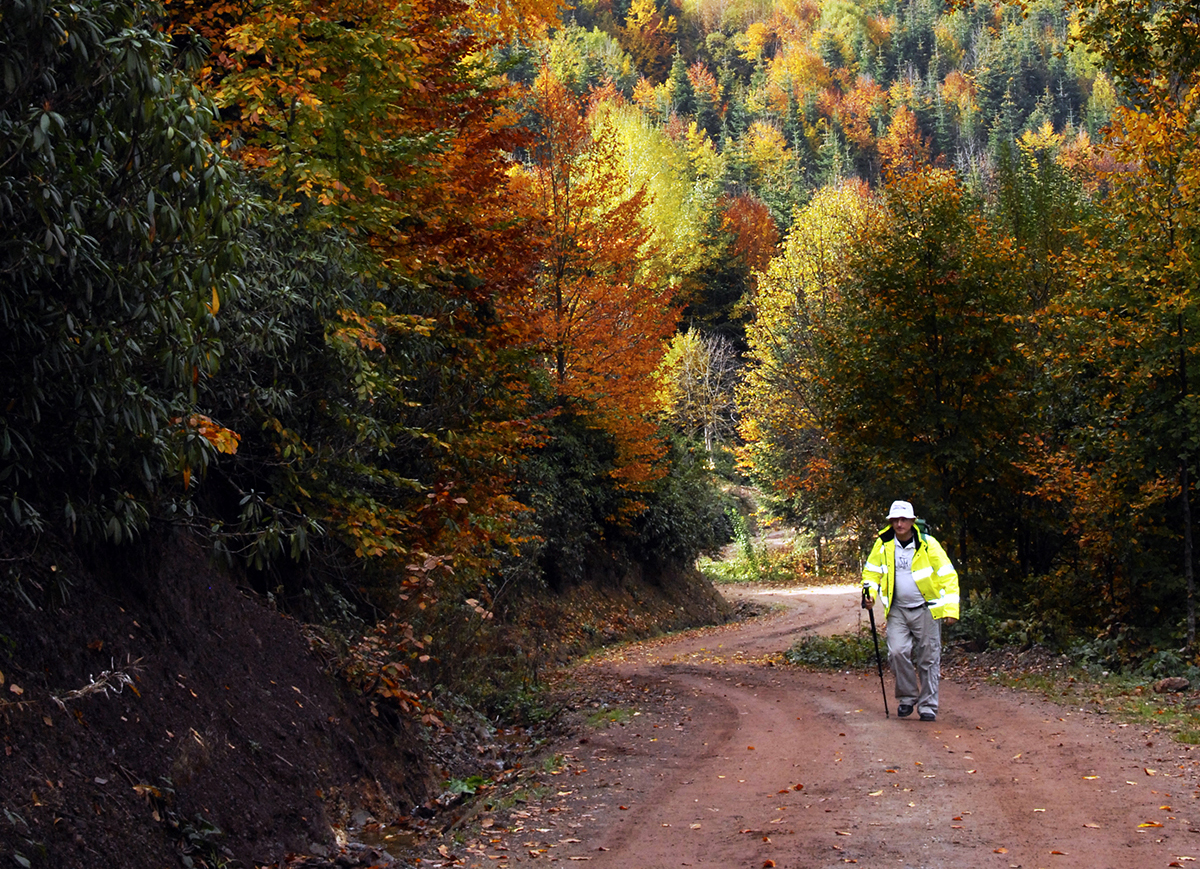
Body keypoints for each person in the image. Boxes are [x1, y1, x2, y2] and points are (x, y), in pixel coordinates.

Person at [861, 500, 959, 722]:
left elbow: (948, 575)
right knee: (896, 652)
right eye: (895, 519)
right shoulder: (883, 544)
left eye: (903, 519)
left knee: (929, 658)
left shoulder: (928, 544)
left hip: (926, 609)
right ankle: (907, 697)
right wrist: (870, 595)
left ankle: (928, 706)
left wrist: (951, 609)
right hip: (897, 610)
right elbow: (871, 574)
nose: (899, 523)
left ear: (913, 521)